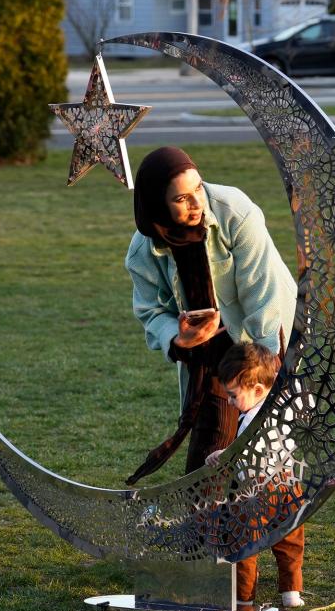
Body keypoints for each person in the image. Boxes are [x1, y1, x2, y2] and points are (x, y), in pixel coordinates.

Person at [124, 146, 297, 484]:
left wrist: (265, 374)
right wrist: (179, 337)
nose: (196, 203)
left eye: (199, 188)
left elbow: (264, 295)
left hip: (262, 341)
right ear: (159, 206)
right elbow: (151, 312)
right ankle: (207, 532)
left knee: (268, 453)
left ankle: (275, 531)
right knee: (211, 453)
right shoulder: (143, 250)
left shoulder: (236, 211)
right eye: (181, 199)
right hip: (208, 358)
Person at [206, 342, 305, 609]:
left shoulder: (252, 420)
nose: (229, 401)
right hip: (289, 484)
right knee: (289, 540)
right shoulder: (283, 405)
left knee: (245, 545)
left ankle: (244, 597)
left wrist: (221, 456)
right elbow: (299, 393)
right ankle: (291, 591)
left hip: (254, 492)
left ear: (258, 390)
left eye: (233, 395)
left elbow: (247, 454)